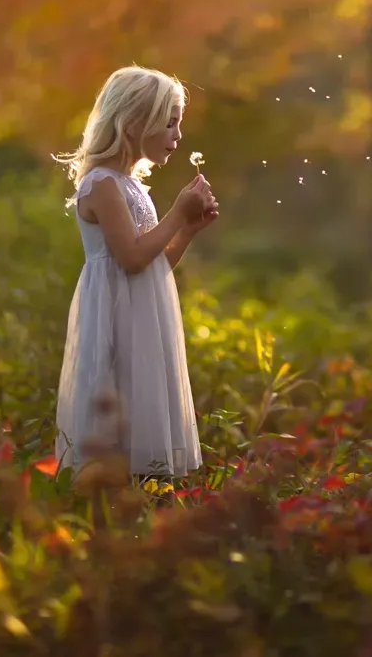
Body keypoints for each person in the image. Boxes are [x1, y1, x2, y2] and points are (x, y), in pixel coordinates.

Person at [52, 65, 218, 484]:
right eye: (170, 123)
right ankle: (111, 503)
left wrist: (188, 229)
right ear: (133, 123)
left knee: (142, 395)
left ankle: (143, 502)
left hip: (143, 316)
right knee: (118, 397)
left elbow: (153, 261)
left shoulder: (132, 186)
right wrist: (178, 211)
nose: (177, 136)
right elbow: (130, 257)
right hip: (115, 318)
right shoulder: (101, 184)